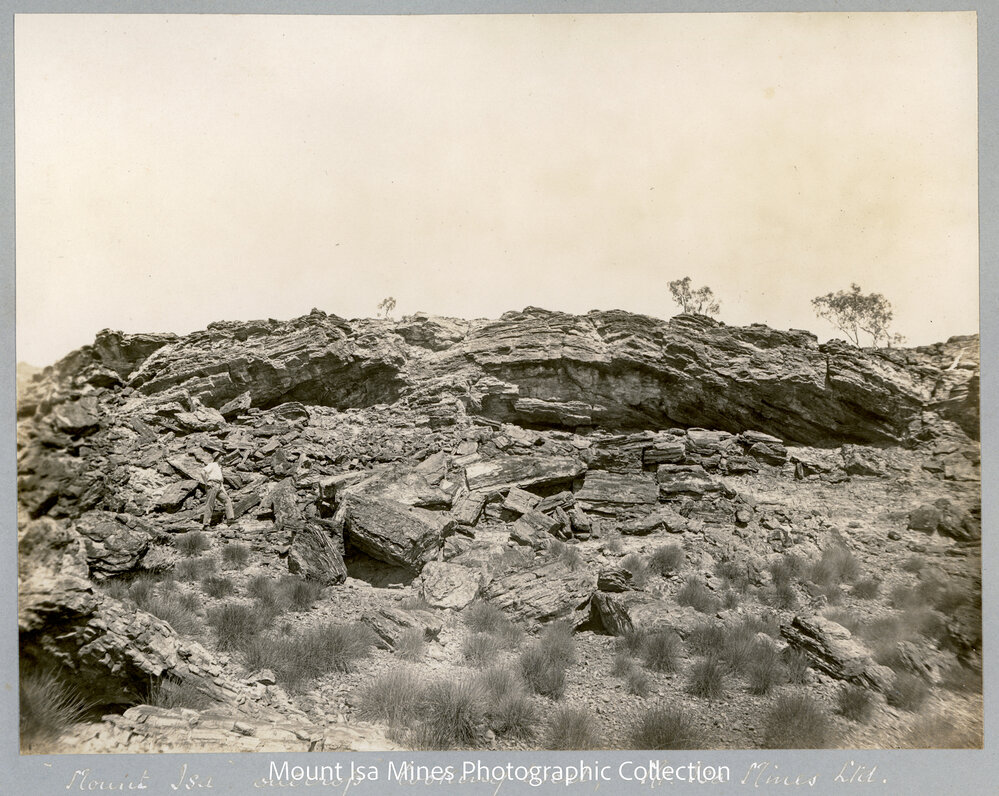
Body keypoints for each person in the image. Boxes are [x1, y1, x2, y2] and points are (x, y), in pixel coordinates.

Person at [201, 452, 235, 529]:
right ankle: (206, 525)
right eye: (221, 457)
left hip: (219, 486)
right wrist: (206, 482)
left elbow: (220, 482)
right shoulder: (212, 465)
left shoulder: (219, 467)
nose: (223, 458)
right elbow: (203, 472)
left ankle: (230, 519)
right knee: (210, 504)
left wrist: (224, 492)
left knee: (227, 500)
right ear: (217, 458)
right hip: (212, 485)